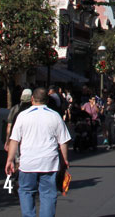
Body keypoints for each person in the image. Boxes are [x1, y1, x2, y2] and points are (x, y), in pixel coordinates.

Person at [7, 88, 71, 217]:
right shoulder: (54, 116)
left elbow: (14, 140)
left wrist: (10, 160)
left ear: (32, 99)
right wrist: (65, 159)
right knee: (48, 195)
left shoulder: (23, 116)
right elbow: (63, 141)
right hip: (49, 163)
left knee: (26, 192)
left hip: (28, 163)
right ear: (47, 100)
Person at [6, 88, 34, 160]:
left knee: (17, 161)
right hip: (30, 141)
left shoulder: (15, 109)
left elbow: (9, 126)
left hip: (16, 139)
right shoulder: (34, 111)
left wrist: (7, 140)